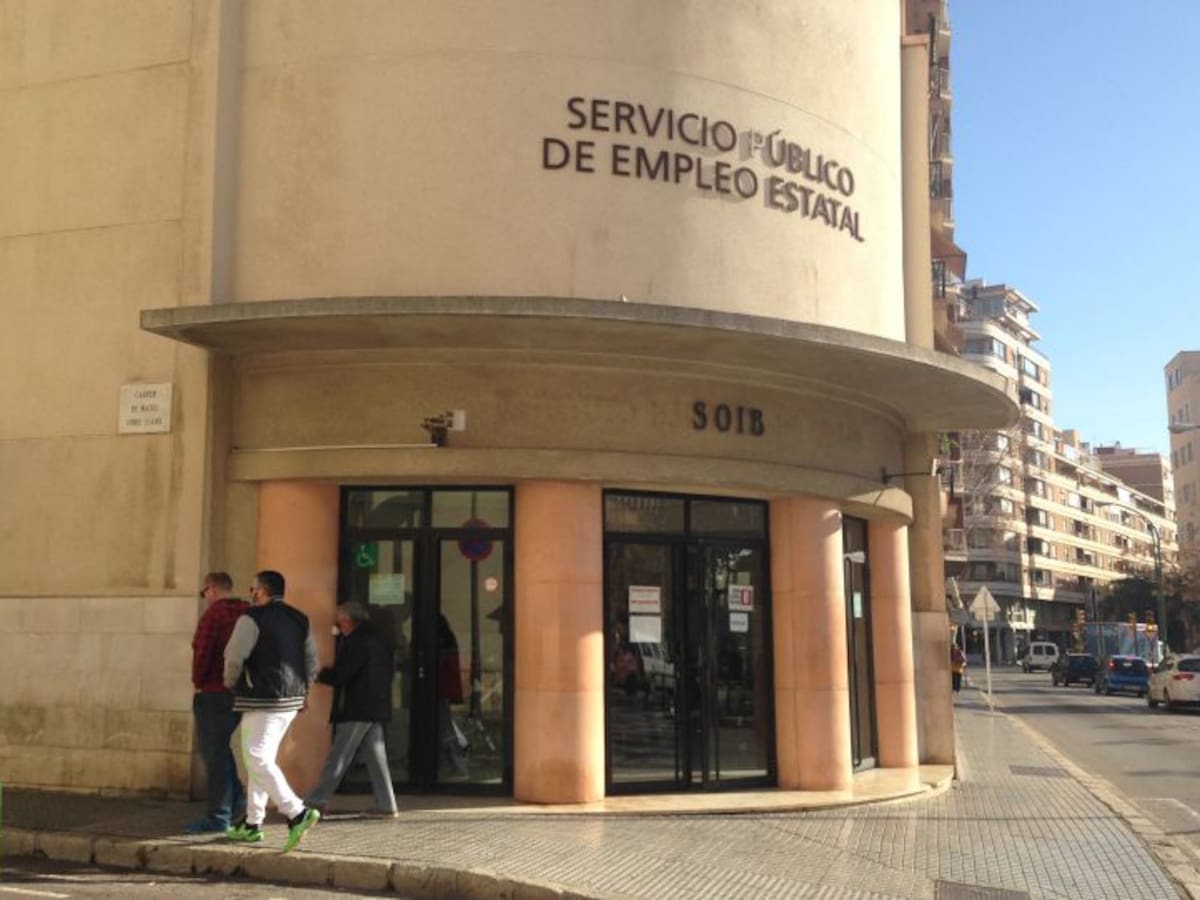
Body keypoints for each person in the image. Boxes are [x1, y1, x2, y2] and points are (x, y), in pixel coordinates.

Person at [223, 570, 321, 851]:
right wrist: (305, 691)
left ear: (261, 591)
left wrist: (231, 683)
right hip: (291, 699)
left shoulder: (251, 618)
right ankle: (253, 822)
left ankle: (296, 812)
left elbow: (233, 656)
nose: (251, 593)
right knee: (262, 759)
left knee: (256, 757)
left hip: (261, 698)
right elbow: (312, 661)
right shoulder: (299, 619)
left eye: (253, 588)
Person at [304, 602, 399, 817]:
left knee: (339, 754)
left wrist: (320, 674)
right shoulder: (378, 639)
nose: (337, 625)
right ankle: (386, 804)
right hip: (375, 706)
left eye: (339, 621)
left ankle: (315, 801)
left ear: (347, 621)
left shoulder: (357, 641)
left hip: (358, 706)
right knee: (376, 758)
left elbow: (343, 673)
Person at [185, 572, 249, 833]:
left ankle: (219, 815)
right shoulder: (248, 612)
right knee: (221, 749)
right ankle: (236, 800)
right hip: (242, 691)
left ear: (212, 589)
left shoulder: (213, 615)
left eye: (205, 592)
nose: (206, 597)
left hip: (214, 690)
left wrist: (198, 680)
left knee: (213, 754)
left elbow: (203, 651)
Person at [437, 614, 468, 777]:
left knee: (445, 726)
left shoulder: (441, 641)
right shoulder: (447, 638)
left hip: (439, 688)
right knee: (444, 724)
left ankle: (458, 764)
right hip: (443, 688)